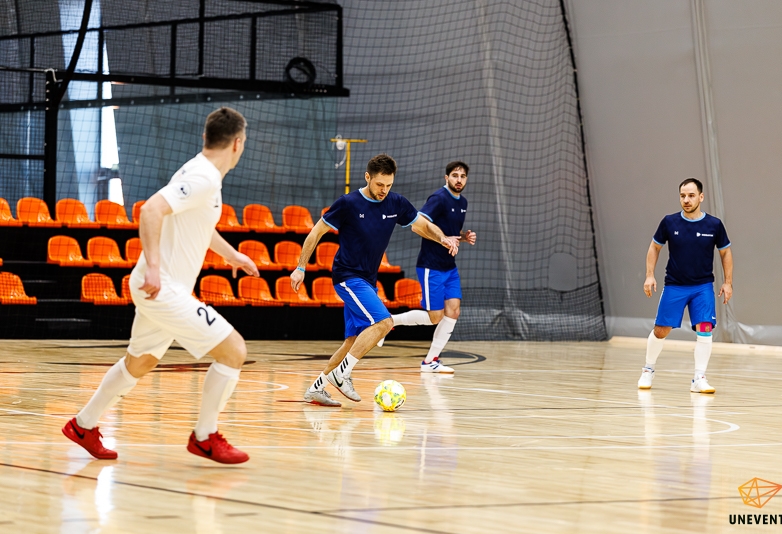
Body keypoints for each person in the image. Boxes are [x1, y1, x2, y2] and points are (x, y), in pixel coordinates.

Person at [62, 107, 259, 463]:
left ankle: (82, 425)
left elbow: (199, 225)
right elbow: (150, 210)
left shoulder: (202, 173)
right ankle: (205, 437)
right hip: (161, 287)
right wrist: (154, 267)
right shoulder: (202, 177)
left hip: (161, 288)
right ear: (238, 143)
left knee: (140, 362)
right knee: (234, 351)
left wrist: (233, 256)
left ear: (206, 137)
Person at [292, 154, 461, 406]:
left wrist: (442, 238)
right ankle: (342, 375)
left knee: (353, 341)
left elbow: (422, 225)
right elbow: (316, 232)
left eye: (389, 185)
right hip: (347, 276)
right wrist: (300, 267)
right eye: (380, 184)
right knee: (384, 322)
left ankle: (317, 388)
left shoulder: (396, 203)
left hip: (368, 280)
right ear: (367, 177)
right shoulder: (348, 203)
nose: (384, 190)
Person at [639, 178, 733, 393]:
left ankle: (699, 378)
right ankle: (648, 369)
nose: (686, 200)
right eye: (682, 196)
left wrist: (728, 283)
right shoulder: (669, 222)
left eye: (691, 195)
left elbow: (725, 252)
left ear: (701, 197)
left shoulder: (714, 225)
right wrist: (649, 275)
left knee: (705, 328)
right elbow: (654, 247)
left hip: (703, 287)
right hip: (675, 286)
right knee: (661, 331)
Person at [387, 161, 476, 373]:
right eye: (455, 175)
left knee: (453, 311)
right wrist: (443, 239)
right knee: (435, 317)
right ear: (446, 177)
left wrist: (463, 237)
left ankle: (430, 361)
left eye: (462, 176)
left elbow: (448, 233)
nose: (459, 180)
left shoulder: (463, 202)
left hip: (449, 267)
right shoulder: (438, 198)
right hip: (431, 266)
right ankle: (389, 321)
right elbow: (418, 228)